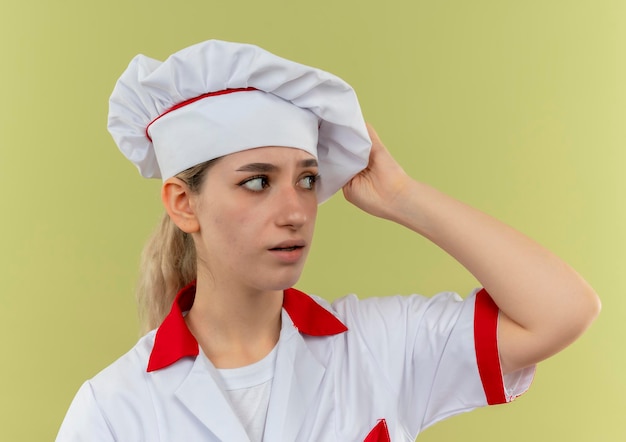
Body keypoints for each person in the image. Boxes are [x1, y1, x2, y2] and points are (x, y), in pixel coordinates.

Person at [56, 40, 600, 442]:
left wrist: (403, 196)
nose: (295, 211)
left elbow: (562, 310)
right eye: (256, 182)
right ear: (183, 203)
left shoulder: (379, 348)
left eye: (308, 180)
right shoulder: (112, 410)